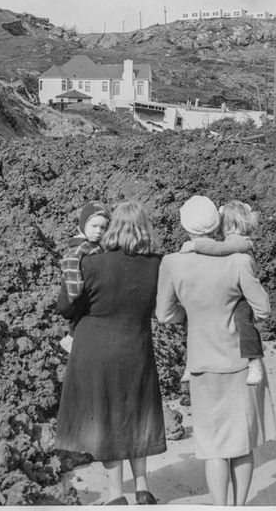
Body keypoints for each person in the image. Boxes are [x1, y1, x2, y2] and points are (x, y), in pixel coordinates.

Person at [156, 195, 276, 506]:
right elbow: (263, 309)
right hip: (239, 360)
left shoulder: (172, 263)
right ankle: (239, 507)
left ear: (185, 225)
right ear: (217, 223)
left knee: (213, 447)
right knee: (242, 444)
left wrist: (192, 315)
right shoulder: (238, 260)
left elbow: (166, 315)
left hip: (201, 362)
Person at [55, 201, 166, 505]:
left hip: (97, 350)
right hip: (137, 347)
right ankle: (143, 488)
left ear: (114, 227)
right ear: (144, 227)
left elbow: (66, 307)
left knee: (107, 419)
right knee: (136, 414)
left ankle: (116, 495)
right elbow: (160, 310)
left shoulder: (93, 264)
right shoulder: (157, 264)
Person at [180, 200, 265, 385]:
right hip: (233, 290)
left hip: (241, 295)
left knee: (243, 320)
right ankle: (191, 362)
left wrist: (195, 246)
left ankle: (254, 360)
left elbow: (219, 249)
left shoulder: (238, 243)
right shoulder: (238, 242)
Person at [58, 201, 110, 353]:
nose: (99, 231)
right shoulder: (80, 246)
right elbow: (70, 262)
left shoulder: (94, 246)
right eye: (94, 226)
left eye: (103, 227)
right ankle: (72, 338)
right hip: (71, 298)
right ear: (83, 225)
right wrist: (76, 291)